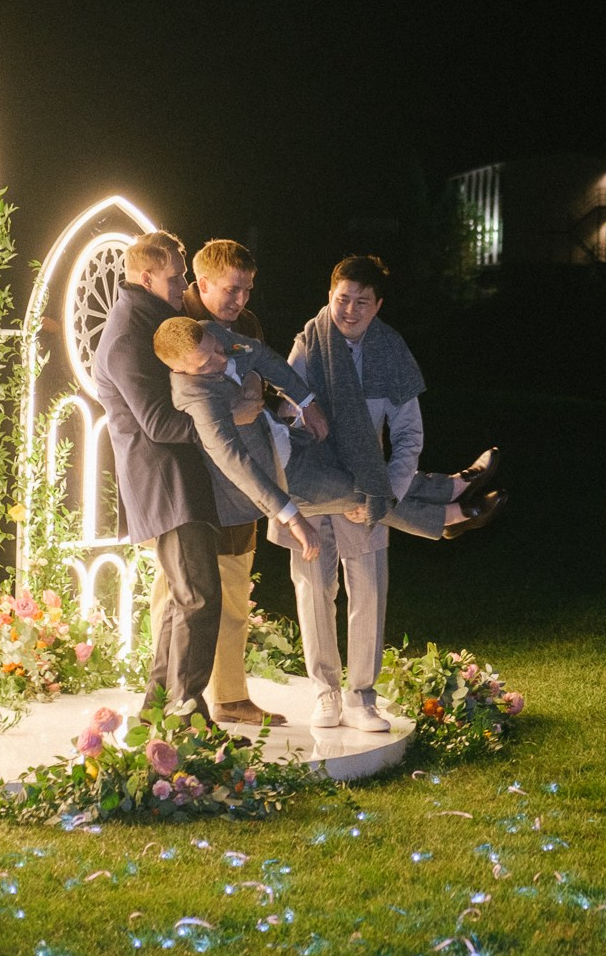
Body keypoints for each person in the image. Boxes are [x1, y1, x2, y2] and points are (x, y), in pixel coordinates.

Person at [91, 230, 309, 722]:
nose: (182, 284)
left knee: (184, 601)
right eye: (176, 277)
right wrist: (234, 413)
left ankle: (158, 710)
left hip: (180, 482)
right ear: (146, 277)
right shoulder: (129, 335)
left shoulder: (155, 320)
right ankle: (187, 715)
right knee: (199, 598)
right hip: (164, 485)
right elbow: (160, 424)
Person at [285, 256, 503, 733]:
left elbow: (408, 436)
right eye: (342, 298)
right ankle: (325, 693)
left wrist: (389, 493)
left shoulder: (391, 351)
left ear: (378, 305)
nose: (349, 310)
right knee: (314, 589)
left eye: (362, 301)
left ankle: (361, 695)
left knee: (367, 589)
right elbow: (286, 415)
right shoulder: (308, 342)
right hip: (312, 489)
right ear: (329, 295)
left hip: (370, 491)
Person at [155, 238, 320, 725]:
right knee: (179, 596)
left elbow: (260, 374)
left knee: (234, 585)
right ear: (200, 285)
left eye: (248, 290)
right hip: (192, 486)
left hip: (243, 486)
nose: (241, 300)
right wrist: (238, 405)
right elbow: (181, 402)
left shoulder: (245, 326)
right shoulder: (178, 326)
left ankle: (229, 695)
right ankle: (172, 698)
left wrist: (258, 394)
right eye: (232, 290)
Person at [155, 316, 498, 544]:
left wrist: (306, 402)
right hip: (281, 478)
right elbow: (237, 466)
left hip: (290, 438)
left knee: (368, 472)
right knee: (365, 495)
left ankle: (451, 486)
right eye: (205, 363)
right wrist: (291, 517)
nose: (220, 359)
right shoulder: (196, 400)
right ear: (177, 369)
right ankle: (450, 517)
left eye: (215, 349)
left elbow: (260, 355)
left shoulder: (209, 334)